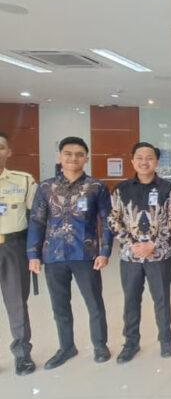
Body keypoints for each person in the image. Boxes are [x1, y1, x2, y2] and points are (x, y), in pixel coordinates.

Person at [27, 136, 113, 369]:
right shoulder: (46, 187)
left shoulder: (96, 187)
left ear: (86, 158)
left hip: (86, 254)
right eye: (68, 153)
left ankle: (100, 345)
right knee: (59, 305)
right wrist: (33, 255)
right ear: (60, 157)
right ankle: (66, 347)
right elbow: (37, 221)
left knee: (94, 302)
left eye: (79, 154)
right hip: (53, 255)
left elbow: (107, 221)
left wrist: (104, 251)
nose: (73, 158)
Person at [108, 142, 171, 364]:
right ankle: (131, 342)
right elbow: (113, 219)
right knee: (131, 299)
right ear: (132, 161)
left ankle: (165, 339)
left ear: (156, 162)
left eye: (149, 158)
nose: (144, 162)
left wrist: (153, 245)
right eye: (139, 157)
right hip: (130, 256)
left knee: (161, 298)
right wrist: (132, 244)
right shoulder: (121, 189)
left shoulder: (168, 189)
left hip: (159, 255)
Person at [0, 132, 37, 375]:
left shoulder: (23, 181)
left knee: (17, 303)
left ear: (9, 152)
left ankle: (22, 354)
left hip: (13, 246)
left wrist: (34, 252)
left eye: (0, 147)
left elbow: (36, 218)